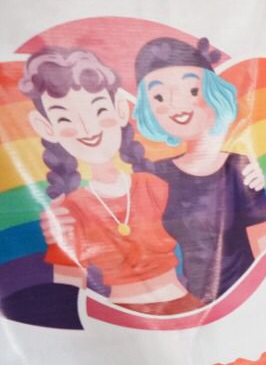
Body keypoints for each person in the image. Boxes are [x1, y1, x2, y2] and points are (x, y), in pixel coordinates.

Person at [21, 48, 202, 316]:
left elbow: (207, 234)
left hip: (185, 308)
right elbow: (68, 290)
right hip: (120, 322)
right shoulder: (69, 211)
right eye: (65, 118)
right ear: (47, 127)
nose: (86, 127)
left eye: (98, 110)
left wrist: (247, 170)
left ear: (119, 109)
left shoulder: (154, 186)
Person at [132, 36, 266, 304]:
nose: (177, 105)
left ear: (212, 93)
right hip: (191, 306)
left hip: (249, 299)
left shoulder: (239, 168)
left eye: (192, 90)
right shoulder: (155, 175)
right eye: (160, 96)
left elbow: (264, 246)